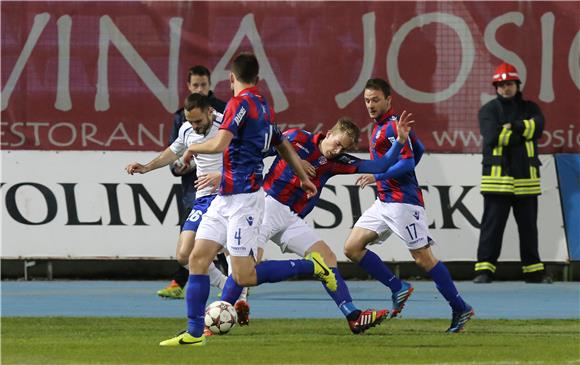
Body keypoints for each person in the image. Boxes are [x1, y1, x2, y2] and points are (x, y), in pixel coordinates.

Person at [159, 53, 336, 347]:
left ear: (231, 79)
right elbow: (281, 143)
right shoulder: (264, 106)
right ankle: (193, 333)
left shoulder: (238, 104)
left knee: (245, 275)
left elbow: (220, 142)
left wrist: (193, 150)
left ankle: (313, 266)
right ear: (257, 78)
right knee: (197, 259)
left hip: (244, 200)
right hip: (223, 197)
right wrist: (303, 177)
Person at [217, 114, 414, 334]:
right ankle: (217, 315)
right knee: (248, 267)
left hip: (291, 217)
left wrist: (400, 141)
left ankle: (353, 316)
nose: (338, 151)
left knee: (327, 257)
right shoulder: (296, 137)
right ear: (329, 133)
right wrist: (294, 160)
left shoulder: (338, 162)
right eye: (337, 143)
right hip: (267, 206)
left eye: (344, 148)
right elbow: (259, 149)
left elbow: (381, 165)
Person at [343, 78, 474, 333]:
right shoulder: (385, 126)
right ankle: (398, 287)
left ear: (389, 100)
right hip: (384, 202)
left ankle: (460, 307)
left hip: (403, 203)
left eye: (375, 100)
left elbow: (408, 162)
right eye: (367, 100)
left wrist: (378, 176)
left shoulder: (391, 127)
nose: (370, 105)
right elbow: (420, 149)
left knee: (423, 259)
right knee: (352, 247)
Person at [125, 93, 234, 305]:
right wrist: (146, 167)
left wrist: (223, 176)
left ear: (210, 111)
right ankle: (225, 284)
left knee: (230, 248)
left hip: (229, 194)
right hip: (203, 198)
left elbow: (248, 158)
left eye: (198, 121)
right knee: (184, 256)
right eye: (190, 121)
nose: (194, 126)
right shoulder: (186, 129)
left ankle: (238, 290)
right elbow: (173, 152)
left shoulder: (227, 124)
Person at [474, 62, 551, 284]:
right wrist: (523, 131)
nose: (505, 88)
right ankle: (484, 271)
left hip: (526, 180)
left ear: (517, 85)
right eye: (501, 84)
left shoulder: (531, 108)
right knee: (492, 228)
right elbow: (492, 137)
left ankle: (534, 272)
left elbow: (538, 127)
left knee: (529, 230)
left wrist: (512, 127)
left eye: (509, 84)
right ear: (495, 87)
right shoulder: (488, 110)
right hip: (497, 182)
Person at [157, 65, 228, 299]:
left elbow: (239, 154)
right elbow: (175, 150)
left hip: (228, 190)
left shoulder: (226, 114)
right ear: (188, 87)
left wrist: (199, 158)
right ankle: (218, 284)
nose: (200, 88)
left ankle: (233, 290)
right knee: (187, 246)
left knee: (222, 245)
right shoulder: (183, 118)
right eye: (195, 85)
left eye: (203, 84)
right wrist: (168, 166)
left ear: (210, 86)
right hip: (195, 189)